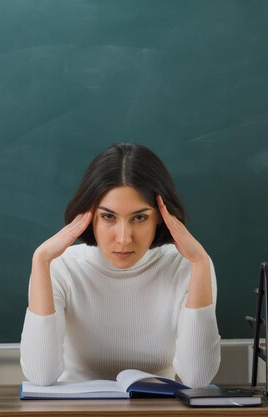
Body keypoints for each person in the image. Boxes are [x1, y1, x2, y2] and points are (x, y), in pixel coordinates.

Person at [20, 142, 220, 388]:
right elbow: (40, 376)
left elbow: (197, 378)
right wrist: (41, 261)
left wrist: (200, 262)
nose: (124, 238)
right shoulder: (60, 267)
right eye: (108, 217)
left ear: (160, 217)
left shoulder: (189, 265)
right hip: (75, 410)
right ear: (89, 216)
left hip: (157, 409)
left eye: (139, 217)